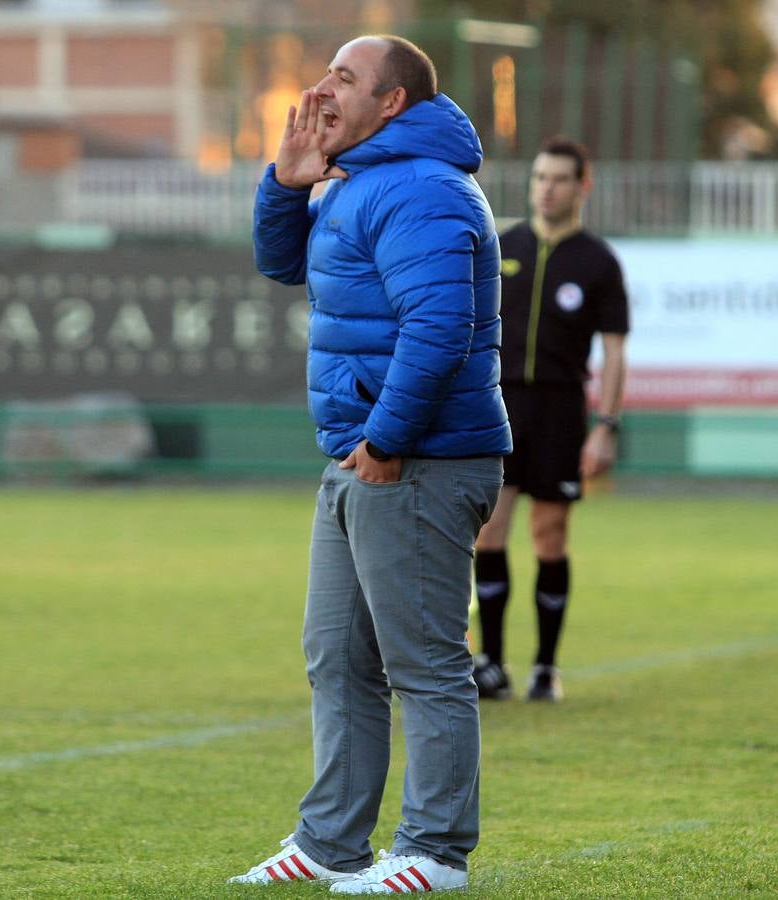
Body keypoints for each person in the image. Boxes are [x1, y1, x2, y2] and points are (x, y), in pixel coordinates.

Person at [228, 35, 511, 896]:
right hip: (362, 455)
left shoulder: (421, 187)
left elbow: (438, 329)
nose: (323, 88)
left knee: (423, 663)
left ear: (392, 103)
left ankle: (433, 852)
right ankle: (331, 843)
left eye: (344, 77)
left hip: (413, 460)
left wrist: (386, 444)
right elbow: (284, 263)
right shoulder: (360, 180)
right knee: (337, 655)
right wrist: (287, 178)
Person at [470, 137, 630, 703]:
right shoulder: (502, 245)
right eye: (540, 177)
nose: (547, 187)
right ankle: (489, 662)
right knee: (489, 529)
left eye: (560, 178)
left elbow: (613, 352)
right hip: (500, 405)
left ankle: (544, 667)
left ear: (582, 187)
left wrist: (605, 424)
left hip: (562, 409)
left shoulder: (598, 263)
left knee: (550, 534)